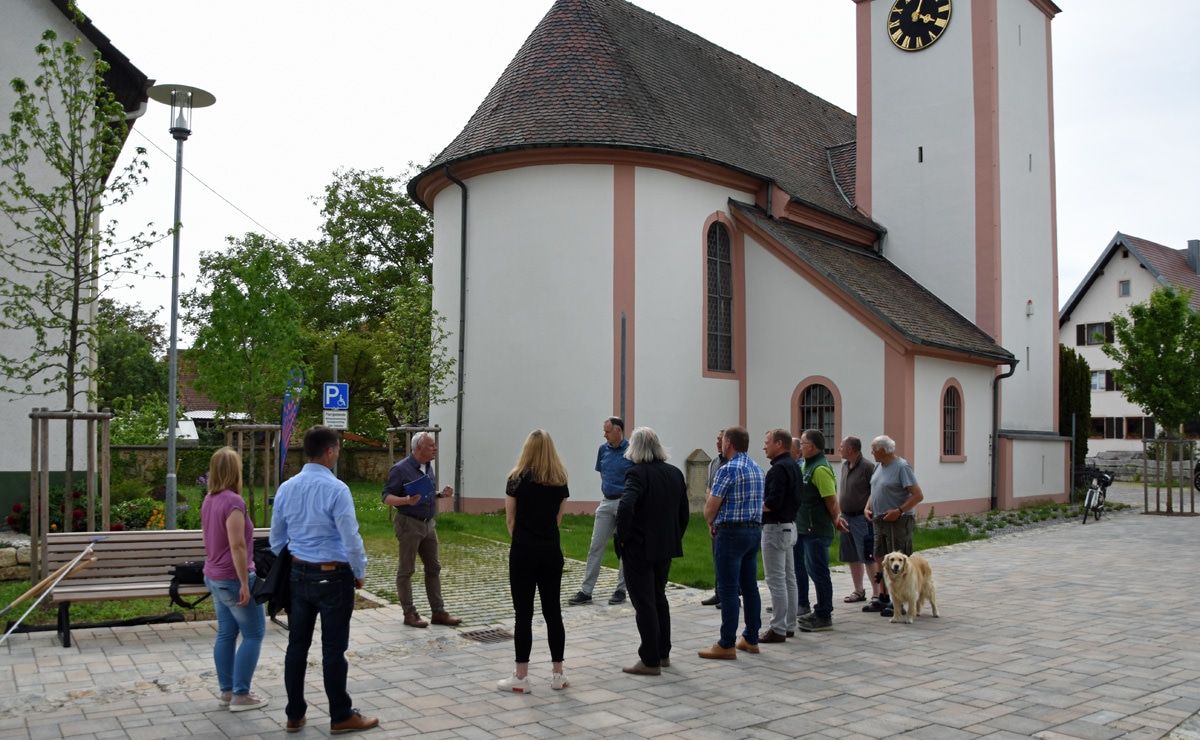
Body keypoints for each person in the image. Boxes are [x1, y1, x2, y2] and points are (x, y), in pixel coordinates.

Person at [270, 426, 377, 735]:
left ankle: (294, 714)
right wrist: (359, 570)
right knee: (333, 649)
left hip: (298, 574)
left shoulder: (287, 488)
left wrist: (296, 558)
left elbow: (277, 539)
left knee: (297, 645)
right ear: (330, 451)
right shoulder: (337, 489)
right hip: (334, 575)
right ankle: (340, 715)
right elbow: (350, 537)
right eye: (338, 449)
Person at [498, 429, 570, 694]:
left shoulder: (516, 479)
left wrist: (523, 539)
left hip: (523, 551)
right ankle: (558, 674)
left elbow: (510, 521)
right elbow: (557, 520)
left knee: (523, 614)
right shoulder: (560, 481)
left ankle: (521, 676)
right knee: (553, 612)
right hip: (550, 550)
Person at [615, 427, 690, 675]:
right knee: (659, 597)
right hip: (665, 546)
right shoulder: (675, 473)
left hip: (639, 546)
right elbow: (683, 513)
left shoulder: (636, 473)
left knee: (644, 602)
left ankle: (649, 659)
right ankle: (663, 652)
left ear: (635, 448)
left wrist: (622, 538)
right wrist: (674, 536)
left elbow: (626, 506)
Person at [201, 446, 267, 712]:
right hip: (232, 578)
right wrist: (243, 583)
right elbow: (237, 545)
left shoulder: (210, 499)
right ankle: (241, 694)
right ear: (235, 471)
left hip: (214, 575)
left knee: (226, 633)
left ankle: (227, 691)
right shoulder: (233, 502)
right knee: (254, 634)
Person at [381, 432, 462, 628]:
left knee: (434, 568)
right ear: (418, 448)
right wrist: (406, 500)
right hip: (408, 523)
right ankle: (409, 613)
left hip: (428, 524)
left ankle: (438, 612)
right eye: (431, 445)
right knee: (406, 570)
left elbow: (425, 493)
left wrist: (440, 494)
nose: (435, 449)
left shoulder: (428, 466)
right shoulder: (400, 469)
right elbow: (386, 497)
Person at [698, 425, 764, 659]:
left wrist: (710, 520)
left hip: (731, 533)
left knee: (727, 589)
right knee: (750, 586)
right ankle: (751, 638)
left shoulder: (727, 469)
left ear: (729, 443)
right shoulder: (757, 468)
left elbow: (710, 508)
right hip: (753, 531)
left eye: (723, 440)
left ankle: (726, 643)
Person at [568, 417, 632, 606]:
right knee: (595, 546)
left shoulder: (631, 451)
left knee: (624, 546)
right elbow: (603, 473)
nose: (604, 435)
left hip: (624, 503)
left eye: (607, 431)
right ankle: (586, 591)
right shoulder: (602, 450)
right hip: (606, 501)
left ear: (618, 430)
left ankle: (621, 590)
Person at [864, 434, 925, 618]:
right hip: (880, 520)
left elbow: (918, 495)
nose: (871, 452)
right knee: (880, 557)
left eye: (874, 449)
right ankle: (883, 597)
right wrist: (868, 506)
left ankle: (898, 601)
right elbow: (875, 489)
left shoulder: (901, 467)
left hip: (898, 521)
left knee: (898, 560)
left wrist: (899, 511)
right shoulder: (879, 466)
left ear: (883, 450)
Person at [795, 429, 848, 632]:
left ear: (812, 447)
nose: (800, 447)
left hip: (816, 529)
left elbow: (831, 500)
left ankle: (824, 614)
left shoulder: (820, 469)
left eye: (802, 443)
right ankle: (819, 610)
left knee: (819, 572)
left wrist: (836, 519)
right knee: (812, 570)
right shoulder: (806, 465)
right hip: (806, 529)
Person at [759, 429, 801, 643]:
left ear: (779, 444)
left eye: (767, 442)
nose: (764, 446)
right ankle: (789, 624)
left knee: (776, 580)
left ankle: (778, 628)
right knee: (789, 578)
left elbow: (772, 502)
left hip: (775, 528)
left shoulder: (778, 469)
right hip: (789, 525)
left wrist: (755, 507)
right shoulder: (793, 465)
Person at [835, 436, 879, 605]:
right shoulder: (845, 465)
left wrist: (868, 509)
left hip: (862, 518)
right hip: (846, 516)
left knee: (868, 556)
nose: (839, 449)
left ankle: (877, 593)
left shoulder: (868, 467)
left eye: (841, 446)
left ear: (851, 449)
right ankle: (859, 590)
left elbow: (874, 491)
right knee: (852, 556)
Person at [700, 429, 727, 607]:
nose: (717, 442)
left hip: (727, 517)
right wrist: (710, 518)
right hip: (714, 516)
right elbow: (709, 489)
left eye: (721, 439)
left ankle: (730, 595)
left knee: (728, 560)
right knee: (717, 556)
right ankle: (719, 592)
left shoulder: (733, 463)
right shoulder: (714, 463)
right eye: (717, 439)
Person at [790, 436, 812, 619]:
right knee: (789, 565)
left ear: (797, 452)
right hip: (792, 522)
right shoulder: (791, 466)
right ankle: (789, 601)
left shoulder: (799, 468)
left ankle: (802, 602)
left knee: (798, 564)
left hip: (800, 523)